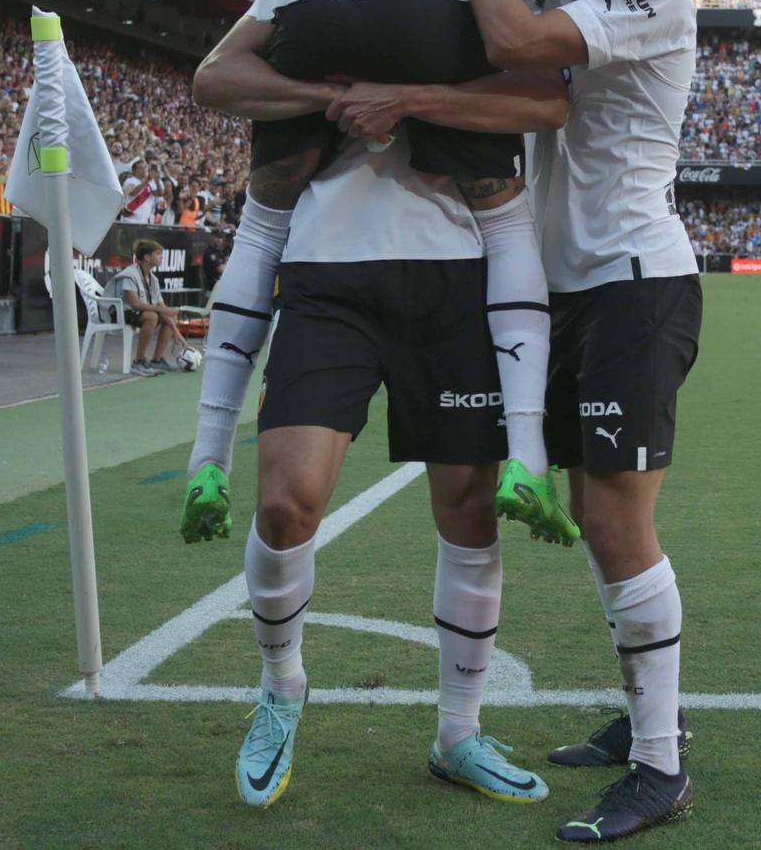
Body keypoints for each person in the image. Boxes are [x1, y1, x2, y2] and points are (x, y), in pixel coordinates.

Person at [185, 0, 638, 554]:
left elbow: (214, 80)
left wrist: (329, 95)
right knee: (505, 218)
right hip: (423, 5)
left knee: (263, 223)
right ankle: (524, 459)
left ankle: (205, 457)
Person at [432, 0, 702, 841]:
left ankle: (660, 763)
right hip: (573, 290)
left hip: (634, 284)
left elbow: (518, 48)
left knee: (613, 522)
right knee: (595, 519)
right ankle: (647, 717)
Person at [209, 93, 568, 810]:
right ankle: (282, 688)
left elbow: (542, 95)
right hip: (324, 272)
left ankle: (458, 734)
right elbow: (220, 72)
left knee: (469, 511)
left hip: (455, 274)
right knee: (285, 505)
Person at [110, 238, 184, 377]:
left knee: (170, 316)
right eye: (158, 254)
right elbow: (135, 304)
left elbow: (160, 305)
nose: (161, 257)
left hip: (135, 312)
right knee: (152, 316)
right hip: (118, 311)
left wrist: (176, 332)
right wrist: (163, 310)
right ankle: (139, 361)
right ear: (147, 257)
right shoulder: (130, 275)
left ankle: (156, 360)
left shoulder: (153, 279)